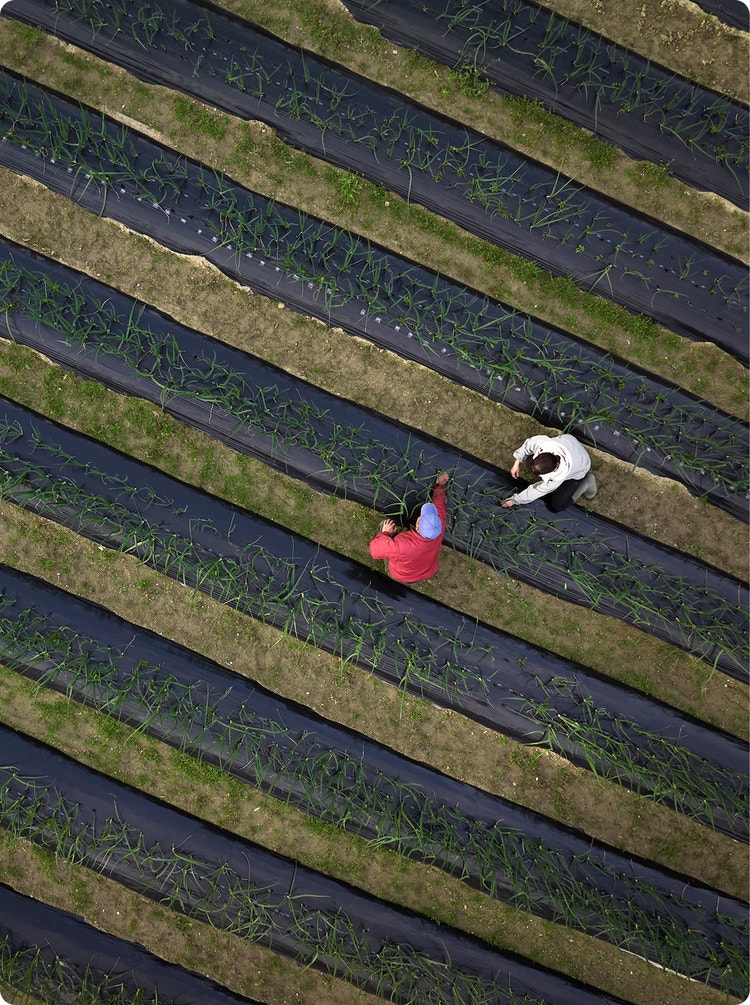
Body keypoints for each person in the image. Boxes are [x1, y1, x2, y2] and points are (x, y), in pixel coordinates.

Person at [369, 472, 449, 583]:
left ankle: (392, 573)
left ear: (417, 526)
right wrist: (439, 485)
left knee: (385, 524)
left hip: (401, 574)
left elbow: (375, 550)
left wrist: (386, 533)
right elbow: (440, 506)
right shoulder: (438, 525)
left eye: (421, 517)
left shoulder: (401, 545)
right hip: (426, 571)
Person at [501, 433, 596, 512]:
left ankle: (587, 482)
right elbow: (528, 445)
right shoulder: (543, 443)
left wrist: (515, 500)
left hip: (581, 466)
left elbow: (536, 491)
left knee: (557, 504)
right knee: (529, 462)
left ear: (552, 471)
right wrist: (517, 462)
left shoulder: (557, 477)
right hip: (570, 443)